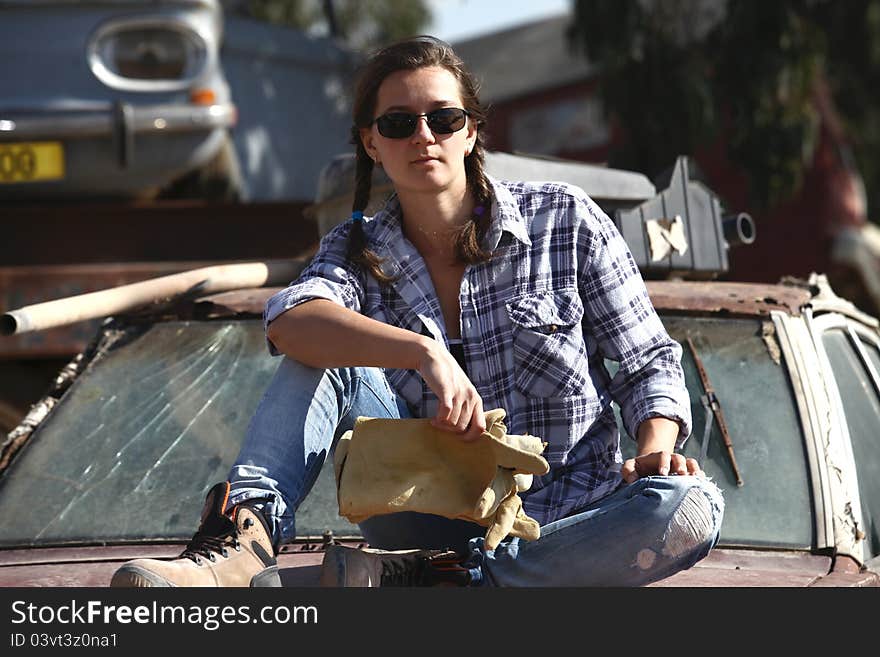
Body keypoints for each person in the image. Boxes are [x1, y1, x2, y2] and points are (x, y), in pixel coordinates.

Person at [111, 35, 723, 588]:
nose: (423, 136)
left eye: (443, 117)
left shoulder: (564, 220)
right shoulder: (358, 249)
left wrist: (654, 447)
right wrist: (421, 352)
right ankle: (242, 542)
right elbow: (289, 321)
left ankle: (459, 583)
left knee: (690, 505)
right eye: (400, 123)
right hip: (425, 522)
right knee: (321, 351)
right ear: (372, 144)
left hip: (569, 524)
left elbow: (649, 361)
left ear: (472, 130)